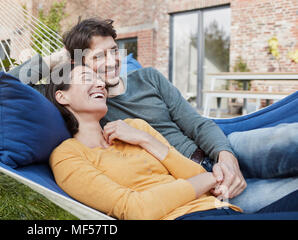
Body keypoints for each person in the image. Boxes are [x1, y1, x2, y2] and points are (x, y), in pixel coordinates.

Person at [8, 18, 298, 213]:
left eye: (113, 51)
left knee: (290, 136)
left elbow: (196, 123)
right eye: (98, 57)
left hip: (221, 148)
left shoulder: (148, 78)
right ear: (78, 65)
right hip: (198, 183)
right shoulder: (93, 108)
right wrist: (61, 58)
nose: (110, 63)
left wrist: (226, 156)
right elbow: (10, 84)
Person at [45, 62, 298, 220]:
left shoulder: (134, 127)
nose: (100, 81)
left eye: (98, 78)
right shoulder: (68, 155)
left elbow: (193, 172)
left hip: (220, 206)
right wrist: (211, 178)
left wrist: (145, 139)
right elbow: (135, 210)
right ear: (61, 96)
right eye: (87, 78)